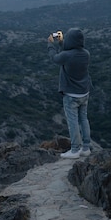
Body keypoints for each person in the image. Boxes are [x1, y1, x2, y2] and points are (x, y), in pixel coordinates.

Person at [47, 28, 92, 159]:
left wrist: (51, 44)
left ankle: (75, 150)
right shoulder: (85, 54)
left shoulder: (67, 56)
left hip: (71, 95)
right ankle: (86, 148)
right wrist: (61, 43)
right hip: (84, 92)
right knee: (84, 119)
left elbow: (55, 58)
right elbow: (68, 51)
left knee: (73, 122)